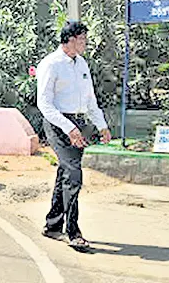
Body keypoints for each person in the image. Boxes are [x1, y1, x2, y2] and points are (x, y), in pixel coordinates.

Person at [37, 21, 111, 250]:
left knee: (66, 172)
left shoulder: (81, 64)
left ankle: (52, 225)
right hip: (58, 123)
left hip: (77, 122)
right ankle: (73, 231)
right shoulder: (51, 64)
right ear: (70, 40)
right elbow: (44, 104)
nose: (85, 43)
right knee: (73, 174)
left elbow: (90, 100)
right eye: (82, 39)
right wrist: (68, 127)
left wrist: (102, 125)